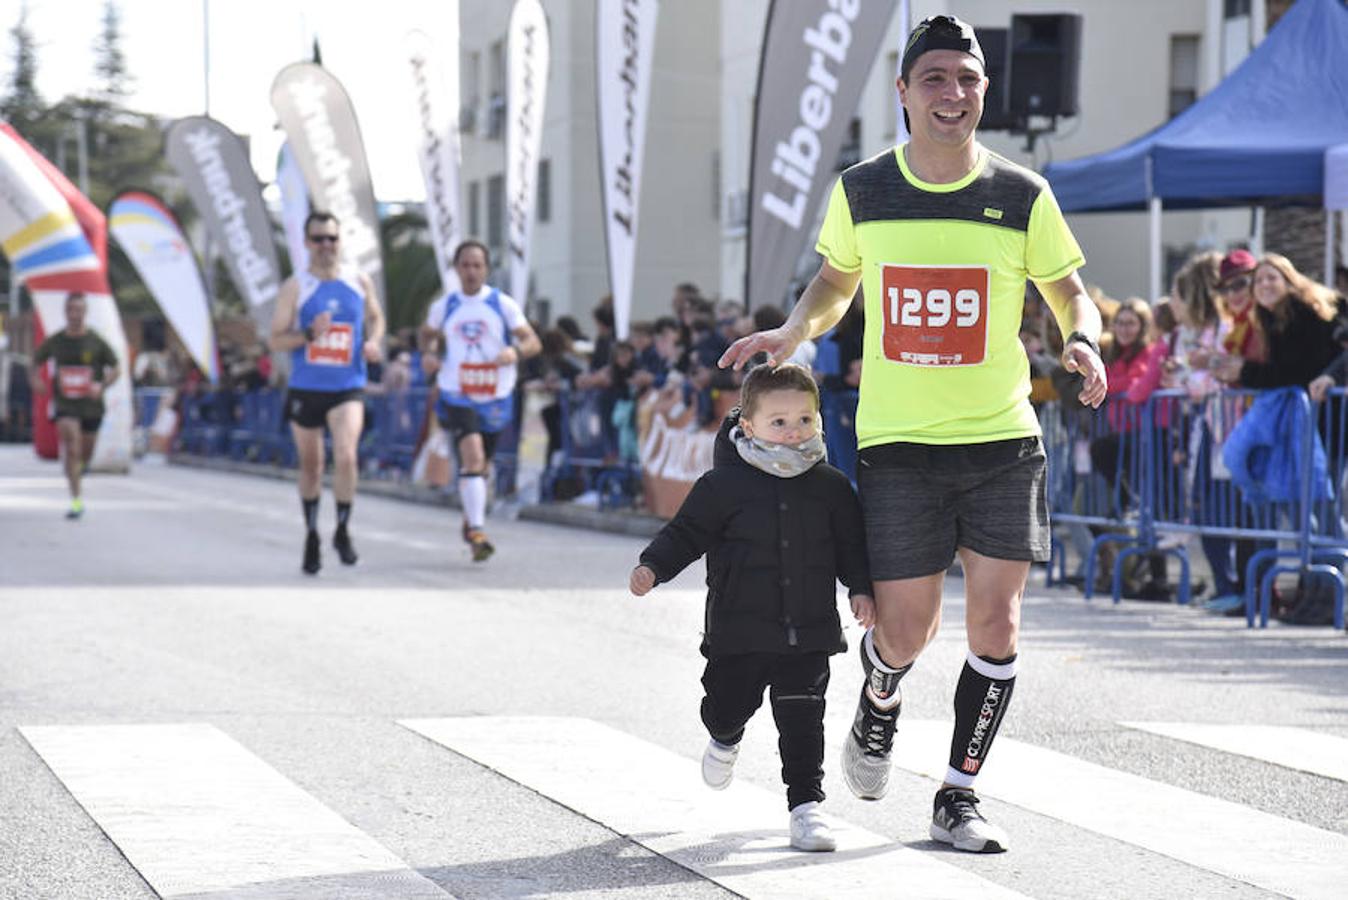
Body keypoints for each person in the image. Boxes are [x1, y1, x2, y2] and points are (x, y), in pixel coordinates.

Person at [719, 14, 1106, 854]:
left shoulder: (1021, 193)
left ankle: (958, 795)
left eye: (966, 80)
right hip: (898, 447)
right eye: (934, 78)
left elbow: (1072, 291)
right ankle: (881, 696)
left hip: (1003, 441)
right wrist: (793, 336)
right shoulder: (863, 189)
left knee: (997, 627)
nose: (953, 94)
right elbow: (834, 279)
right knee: (904, 630)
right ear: (903, 92)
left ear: (983, 94)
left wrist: (1083, 336)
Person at [628, 363, 873, 853]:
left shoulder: (830, 486)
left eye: (804, 420)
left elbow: (850, 546)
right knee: (726, 706)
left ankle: (806, 806)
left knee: (804, 716)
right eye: (778, 422)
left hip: (807, 630)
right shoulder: (723, 486)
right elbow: (686, 534)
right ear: (749, 426)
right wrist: (653, 566)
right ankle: (724, 736)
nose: (793, 432)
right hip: (738, 631)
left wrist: (860, 588)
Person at [270, 211, 385, 574]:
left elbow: (376, 317)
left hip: (347, 386)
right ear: (306, 244)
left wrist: (374, 342)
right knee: (312, 466)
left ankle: (342, 529)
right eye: (318, 239)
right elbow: (275, 338)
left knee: (348, 456)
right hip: (307, 387)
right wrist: (307, 335)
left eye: (331, 239)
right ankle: (311, 534)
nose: (325, 246)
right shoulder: (296, 287)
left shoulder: (358, 280)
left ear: (340, 242)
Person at [419, 240, 541, 561]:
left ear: (486, 269)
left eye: (477, 265)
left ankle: (471, 519)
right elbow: (426, 337)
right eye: (465, 265)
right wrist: (429, 356)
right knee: (472, 455)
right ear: (457, 268)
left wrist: (514, 351)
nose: (471, 271)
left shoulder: (503, 305)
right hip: (457, 392)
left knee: (482, 465)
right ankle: (477, 531)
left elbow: (532, 341)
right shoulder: (444, 307)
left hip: (495, 395)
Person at [31, 291, 121, 519]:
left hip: (91, 407)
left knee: (84, 453)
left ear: (85, 312)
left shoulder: (95, 341)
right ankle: (76, 501)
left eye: (79, 310)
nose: (75, 315)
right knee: (72, 446)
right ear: (65, 312)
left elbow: (117, 367)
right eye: (71, 310)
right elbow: (34, 362)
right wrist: (36, 381)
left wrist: (101, 385)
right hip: (65, 405)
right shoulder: (57, 341)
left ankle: (79, 468)